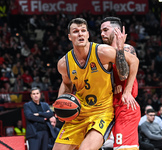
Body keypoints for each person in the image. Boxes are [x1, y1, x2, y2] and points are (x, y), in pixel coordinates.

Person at [53, 18, 139, 150]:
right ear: (70, 37)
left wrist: (127, 91)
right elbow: (66, 84)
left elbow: (134, 61)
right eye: (75, 31)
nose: (80, 34)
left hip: (102, 112)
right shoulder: (64, 63)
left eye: (83, 31)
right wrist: (60, 105)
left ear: (88, 34)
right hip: (79, 112)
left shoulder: (102, 52)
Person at [100, 17, 140, 150]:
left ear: (117, 30)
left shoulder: (128, 49)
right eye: (101, 31)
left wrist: (120, 49)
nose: (102, 34)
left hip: (125, 105)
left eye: (106, 30)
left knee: (123, 147)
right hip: (109, 106)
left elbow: (123, 76)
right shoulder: (103, 52)